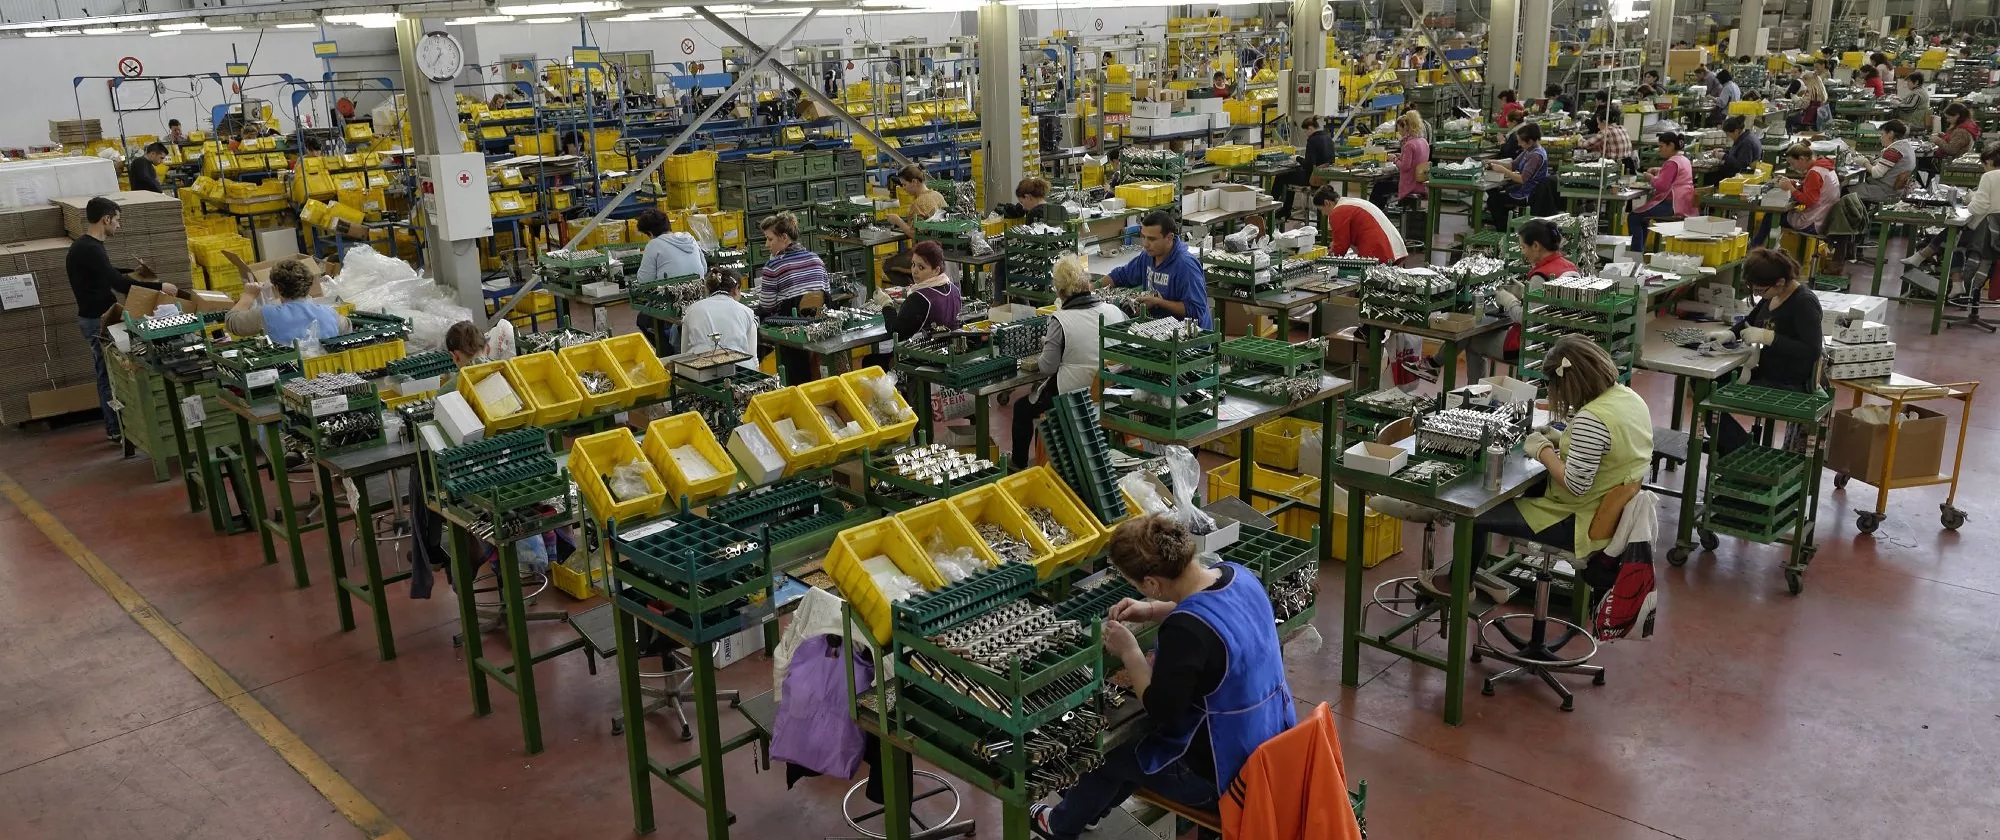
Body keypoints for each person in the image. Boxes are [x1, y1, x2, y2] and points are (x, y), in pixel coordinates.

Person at [1027, 514, 1294, 840]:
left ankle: (1059, 825)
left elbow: (1161, 709)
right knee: (1126, 755)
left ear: (1151, 583)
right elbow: (1213, 606)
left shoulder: (1186, 631)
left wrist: (1129, 652)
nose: (1139, 590)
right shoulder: (1238, 574)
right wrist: (1152, 609)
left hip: (1223, 778)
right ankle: (1089, 811)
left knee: (1112, 753)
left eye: (1138, 585)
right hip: (1274, 748)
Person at [1374, 336, 1654, 564]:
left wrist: (1542, 449)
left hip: (1578, 520)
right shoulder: (1628, 397)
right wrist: (1560, 439)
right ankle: (1446, 523)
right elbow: (1608, 451)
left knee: (1474, 515)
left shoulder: (1591, 419)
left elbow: (1576, 484)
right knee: (1515, 493)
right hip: (1604, 511)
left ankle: (1457, 585)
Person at [69, 196, 176, 442]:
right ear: (106, 219)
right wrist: (160, 287)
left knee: (112, 372)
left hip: (99, 318)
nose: (119, 225)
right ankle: (116, 427)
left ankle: (120, 424)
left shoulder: (86, 246)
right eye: (117, 220)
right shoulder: (90, 248)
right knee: (109, 373)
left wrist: (132, 272)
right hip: (99, 321)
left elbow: (107, 272)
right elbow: (117, 284)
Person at [1010, 255, 1127, 469]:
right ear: (1088, 283)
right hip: (1112, 394)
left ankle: (1018, 465)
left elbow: (1047, 367)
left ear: (1060, 292)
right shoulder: (1115, 311)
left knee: (1021, 409)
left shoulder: (1061, 321)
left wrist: (1048, 344)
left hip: (1075, 396)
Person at [1706, 249, 1823, 451]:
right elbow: (1751, 321)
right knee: (1705, 383)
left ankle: (1739, 452)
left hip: (1789, 382)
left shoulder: (1803, 303)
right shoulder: (1773, 295)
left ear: (1779, 282)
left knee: (1709, 396)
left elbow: (1812, 350)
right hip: (1767, 369)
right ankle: (1735, 447)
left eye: (1760, 290)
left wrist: (1769, 338)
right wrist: (1730, 334)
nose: (1758, 294)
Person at [1463, 218, 1572, 380]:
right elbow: (1548, 304)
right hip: (1559, 341)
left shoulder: (1540, 277)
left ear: (1536, 246)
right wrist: (1524, 293)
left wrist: (1508, 301)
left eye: (1523, 247)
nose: (1522, 252)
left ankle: (1476, 397)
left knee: (1471, 341)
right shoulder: (1567, 266)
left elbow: (1526, 319)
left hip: (1533, 346)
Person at [753, 212, 832, 383]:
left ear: (784, 237)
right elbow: (827, 295)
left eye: (770, 239)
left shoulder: (773, 267)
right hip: (818, 325)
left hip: (789, 327)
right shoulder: (816, 259)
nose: (767, 245)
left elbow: (767, 306)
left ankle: (760, 377)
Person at [1106, 211, 1210, 329]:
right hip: (1160, 330)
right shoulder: (1147, 256)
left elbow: (1196, 311)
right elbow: (1121, 275)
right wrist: (1093, 286)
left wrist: (1158, 302)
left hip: (1192, 339)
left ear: (1169, 238)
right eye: (1143, 237)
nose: (1145, 244)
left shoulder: (1186, 266)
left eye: (1152, 239)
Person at [1905, 142, 2000, 269]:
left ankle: (1925, 258)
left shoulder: (1989, 176)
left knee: (1955, 232)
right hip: (1994, 230)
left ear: (1988, 161)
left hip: (1986, 232)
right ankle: (1925, 258)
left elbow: (1978, 208)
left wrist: (1970, 200)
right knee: (1957, 233)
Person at [223, 256, 346, 346]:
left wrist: (248, 296)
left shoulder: (267, 314)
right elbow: (348, 329)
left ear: (277, 288)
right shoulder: (330, 313)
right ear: (309, 285)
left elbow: (231, 321)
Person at [1752, 143, 1841, 247]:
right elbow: (1811, 187)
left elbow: (1808, 200)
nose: (1791, 167)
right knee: (1779, 214)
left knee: (1771, 216)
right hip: (1824, 218)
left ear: (1802, 159)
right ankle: (1762, 247)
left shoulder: (1814, 173)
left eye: (1792, 163)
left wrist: (1791, 188)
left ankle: (1756, 247)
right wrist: (1793, 182)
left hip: (1814, 222)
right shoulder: (1824, 167)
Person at [881, 240, 961, 341]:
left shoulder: (920, 298)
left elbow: (896, 331)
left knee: (870, 358)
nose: (914, 271)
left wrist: (886, 305)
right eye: (913, 264)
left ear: (936, 270)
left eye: (921, 267)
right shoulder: (954, 290)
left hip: (925, 354)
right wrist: (907, 305)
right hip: (950, 349)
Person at [679, 268, 758, 369]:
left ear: (708, 288)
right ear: (736, 289)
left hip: (699, 371)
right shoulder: (746, 312)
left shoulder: (691, 310)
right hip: (739, 371)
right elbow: (753, 359)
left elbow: (684, 354)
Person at [1629, 132, 1696, 251]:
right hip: (1685, 204)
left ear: (1670, 145)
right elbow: (1676, 176)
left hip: (1671, 206)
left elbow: (1661, 186)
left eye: (1661, 146)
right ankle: (1639, 251)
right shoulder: (1683, 159)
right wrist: (1660, 170)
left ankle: (1636, 254)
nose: (1659, 150)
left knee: (1634, 217)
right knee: (1642, 217)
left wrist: (1650, 178)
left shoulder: (1671, 163)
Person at [1315, 187, 1408, 264]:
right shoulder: (1349, 202)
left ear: (1327, 203)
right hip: (1392, 244)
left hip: (1379, 248)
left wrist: (1326, 261)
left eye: (1321, 210)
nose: (1323, 214)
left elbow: (1340, 246)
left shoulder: (1338, 212)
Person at [1484, 122, 1549, 230]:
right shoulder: (1529, 150)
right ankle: (1506, 225)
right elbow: (1513, 165)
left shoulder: (1536, 155)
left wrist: (1503, 170)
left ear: (1531, 141)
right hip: (1524, 189)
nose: (1519, 145)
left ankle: (1504, 231)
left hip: (1530, 193)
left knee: (1494, 201)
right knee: (1494, 194)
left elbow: (1522, 179)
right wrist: (1493, 161)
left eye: (1521, 142)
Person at [1369, 110, 1430, 209]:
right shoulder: (1423, 141)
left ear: (1406, 127)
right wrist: (1401, 156)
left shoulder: (1409, 145)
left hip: (1409, 184)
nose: (1399, 132)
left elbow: (1405, 167)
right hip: (1419, 183)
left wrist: (1394, 159)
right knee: (1387, 182)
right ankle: (1381, 212)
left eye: (1400, 130)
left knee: (1379, 186)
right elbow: (1417, 159)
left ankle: (1373, 212)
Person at [1276, 116, 1334, 220]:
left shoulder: (1312, 140)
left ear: (1310, 128)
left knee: (1281, 176)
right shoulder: (1328, 138)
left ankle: (1273, 208)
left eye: (1306, 131)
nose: (1306, 134)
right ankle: (1286, 209)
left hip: (1312, 178)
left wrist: (1297, 158)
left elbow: (1308, 165)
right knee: (1292, 176)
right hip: (1324, 178)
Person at [1855, 119, 1917, 204]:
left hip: (1886, 192)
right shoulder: (1906, 147)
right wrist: (1873, 161)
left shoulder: (1894, 151)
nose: (1880, 138)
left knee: (1846, 191)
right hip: (1897, 191)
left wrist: (1864, 162)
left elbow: (1876, 173)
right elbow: (1891, 167)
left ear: (1890, 134)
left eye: (1882, 134)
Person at [1706, 115, 1763, 187]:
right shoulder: (1745, 137)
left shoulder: (1746, 143)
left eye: (1728, 134)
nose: (1727, 136)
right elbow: (1737, 153)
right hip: (1736, 172)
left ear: (1736, 131)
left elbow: (1741, 166)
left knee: (1708, 178)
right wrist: (1724, 152)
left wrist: (1724, 156)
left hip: (1739, 177)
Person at [1579, 104, 1635, 174]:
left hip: (1615, 168)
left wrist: (1579, 139)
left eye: (1598, 123)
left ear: (1604, 122)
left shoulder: (1606, 132)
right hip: (1629, 166)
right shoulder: (1623, 129)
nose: (1598, 127)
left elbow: (1586, 145)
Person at [1932, 102, 1982, 169]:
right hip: (1956, 159)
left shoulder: (1961, 131)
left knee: (1918, 161)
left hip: (1950, 162)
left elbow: (1951, 150)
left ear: (1957, 116)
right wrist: (1942, 135)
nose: (1947, 120)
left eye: (1949, 118)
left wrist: (1937, 140)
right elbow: (1955, 141)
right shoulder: (1967, 124)